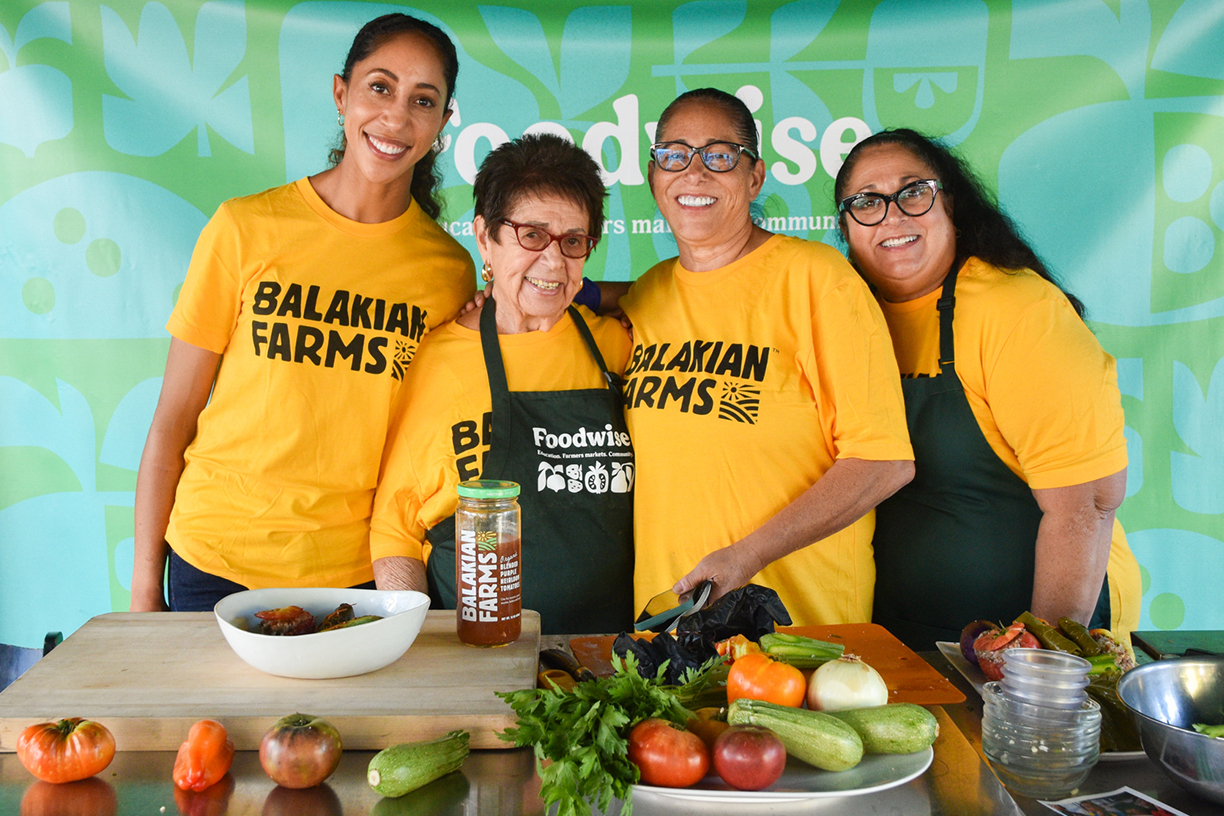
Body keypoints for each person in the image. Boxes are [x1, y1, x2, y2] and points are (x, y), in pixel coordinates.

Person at [130, 14, 476, 612]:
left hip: (353, 574)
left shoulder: (446, 271)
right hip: (213, 559)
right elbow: (173, 418)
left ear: (443, 123)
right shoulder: (245, 227)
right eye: (380, 87)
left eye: (423, 100)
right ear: (341, 93)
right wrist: (142, 590)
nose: (396, 116)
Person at [833, 128, 1141, 649]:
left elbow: (1085, 504)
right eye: (866, 202)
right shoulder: (847, 314)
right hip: (901, 631)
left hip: (1028, 631)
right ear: (845, 226)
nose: (892, 215)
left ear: (951, 202)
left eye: (913, 191)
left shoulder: (1018, 310)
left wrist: (1040, 657)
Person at [618, 88, 915, 626]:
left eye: (720, 155)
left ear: (753, 177)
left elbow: (882, 462)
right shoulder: (646, 295)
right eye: (674, 155)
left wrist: (746, 556)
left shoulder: (817, 280)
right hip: (670, 636)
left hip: (801, 635)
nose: (694, 172)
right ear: (653, 174)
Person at [369, 133, 635, 635]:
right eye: (531, 235)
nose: (554, 263)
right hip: (480, 658)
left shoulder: (617, 347)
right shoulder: (434, 362)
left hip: (618, 660)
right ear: (485, 237)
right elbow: (394, 529)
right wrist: (419, 644)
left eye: (574, 241)